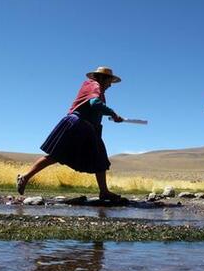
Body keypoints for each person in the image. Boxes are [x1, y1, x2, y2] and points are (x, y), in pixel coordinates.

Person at [17, 67, 124, 201]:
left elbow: (95, 109)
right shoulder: (94, 85)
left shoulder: (95, 88)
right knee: (57, 155)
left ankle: (104, 192)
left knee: (100, 158)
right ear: (102, 78)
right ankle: (25, 177)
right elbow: (94, 103)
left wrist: (111, 117)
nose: (110, 85)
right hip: (78, 124)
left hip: (88, 128)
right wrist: (113, 113)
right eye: (109, 81)